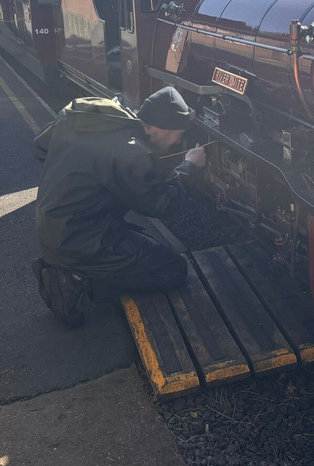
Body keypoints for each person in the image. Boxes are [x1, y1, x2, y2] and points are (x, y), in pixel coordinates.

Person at [31, 88, 206, 327]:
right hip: (80, 241)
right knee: (174, 269)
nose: (178, 141)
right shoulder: (130, 152)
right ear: (161, 129)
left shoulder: (92, 115)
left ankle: (68, 267)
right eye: (178, 134)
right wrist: (189, 167)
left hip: (56, 228)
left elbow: (40, 147)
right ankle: (74, 281)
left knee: (142, 245)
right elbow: (161, 204)